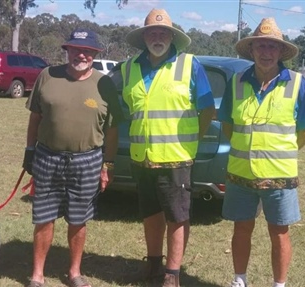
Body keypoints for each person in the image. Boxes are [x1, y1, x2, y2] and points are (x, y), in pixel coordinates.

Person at [119, 8, 215, 287]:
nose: (157, 36)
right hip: (142, 158)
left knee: (177, 217)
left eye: (163, 32)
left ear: (172, 37)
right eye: (152, 32)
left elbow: (207, 110)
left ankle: (172, 275)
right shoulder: (130, 68)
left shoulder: (189, 65)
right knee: (150, 214)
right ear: (144, 37)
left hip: (177, 159)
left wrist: (193, 141)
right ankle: (152, 266)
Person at [22, 28, 124, 287]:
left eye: (88, 51)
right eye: (76, 49)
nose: (81, 55)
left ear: (95, 54)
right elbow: (35, 117)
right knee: (44, 217)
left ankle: (75, 273)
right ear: (67, 50)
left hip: (87, 161)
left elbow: (112, 130)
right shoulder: (48, 75)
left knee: (78, 220)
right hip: (47, 157)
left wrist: (107, 165)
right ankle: (37, 275)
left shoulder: (104, 84)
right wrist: (29, 151)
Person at [218, 18, 305, 287]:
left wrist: (277, 153)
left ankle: (279, 284)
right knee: (241, 228)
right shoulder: (236, 83)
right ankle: (239, 280)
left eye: (272, 46)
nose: (266, 52)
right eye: (261, 46)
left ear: (281, 52)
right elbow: (228, 125)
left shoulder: (297, 84)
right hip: (240, 175)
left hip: (280, 176)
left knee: (279, 232)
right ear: (252, 50)